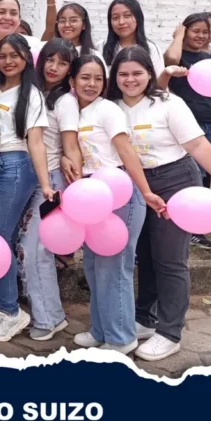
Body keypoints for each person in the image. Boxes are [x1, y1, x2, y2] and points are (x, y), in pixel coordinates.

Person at [107, 48, 211, 360]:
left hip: (175, 180)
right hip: (136, 185)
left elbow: (198, 144)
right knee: (145, 255)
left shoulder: (168, 103)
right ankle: (145, 319)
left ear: (149, 74)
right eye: (123, 74)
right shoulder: (111, 107)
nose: (130, 80)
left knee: (169, 259)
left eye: (137, 73)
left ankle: (170, 332)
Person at [68, 52, 165, 354]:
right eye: (85, 78)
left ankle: (122, 338)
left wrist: (145, 191)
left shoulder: (107, 109)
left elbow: (125, 151)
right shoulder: (73, 111)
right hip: (91, 198)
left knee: (115, 268)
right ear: (72, 81)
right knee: (93, 266)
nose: (91, 84)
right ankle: (101, 330)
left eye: (98, 79)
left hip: (120, 194)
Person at [0, 35, 52, 342]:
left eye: (14, 55)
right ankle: (5, 308)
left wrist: (46, 184)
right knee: (2, 236)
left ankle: (12, 311)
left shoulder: (32, 94)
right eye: (3, 55)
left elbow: (36, 142)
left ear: (26, 58)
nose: (8, 61)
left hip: (15, 167)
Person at [15, 39, 83, 340]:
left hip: (51, 183)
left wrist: (74, 189)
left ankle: (49, 318)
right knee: (26, 248)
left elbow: (71, 146)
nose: (54, 67)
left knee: (35, 250)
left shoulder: (65, 101)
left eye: (63, 63)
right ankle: (43, 313)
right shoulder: (29, 91)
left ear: (70, 70)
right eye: (50, 59)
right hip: (24, 178)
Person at [164, 13, 211, 250]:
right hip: (187, 126)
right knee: (188, 176)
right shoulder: (177, 57)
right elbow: (170, 59)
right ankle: (185, 224)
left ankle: (197, 226)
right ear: (185, 31)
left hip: (208, 122)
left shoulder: (207, 58)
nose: (201, 36)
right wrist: (178, 36)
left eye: (205, 32)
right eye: (195, 31)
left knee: (204, 177)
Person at [99, 0, 164, 76]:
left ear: (138, 18)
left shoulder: (151, 49)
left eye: (127, 16)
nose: (121, 22)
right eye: (115, 18)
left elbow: (158, 80)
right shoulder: (101, 47)